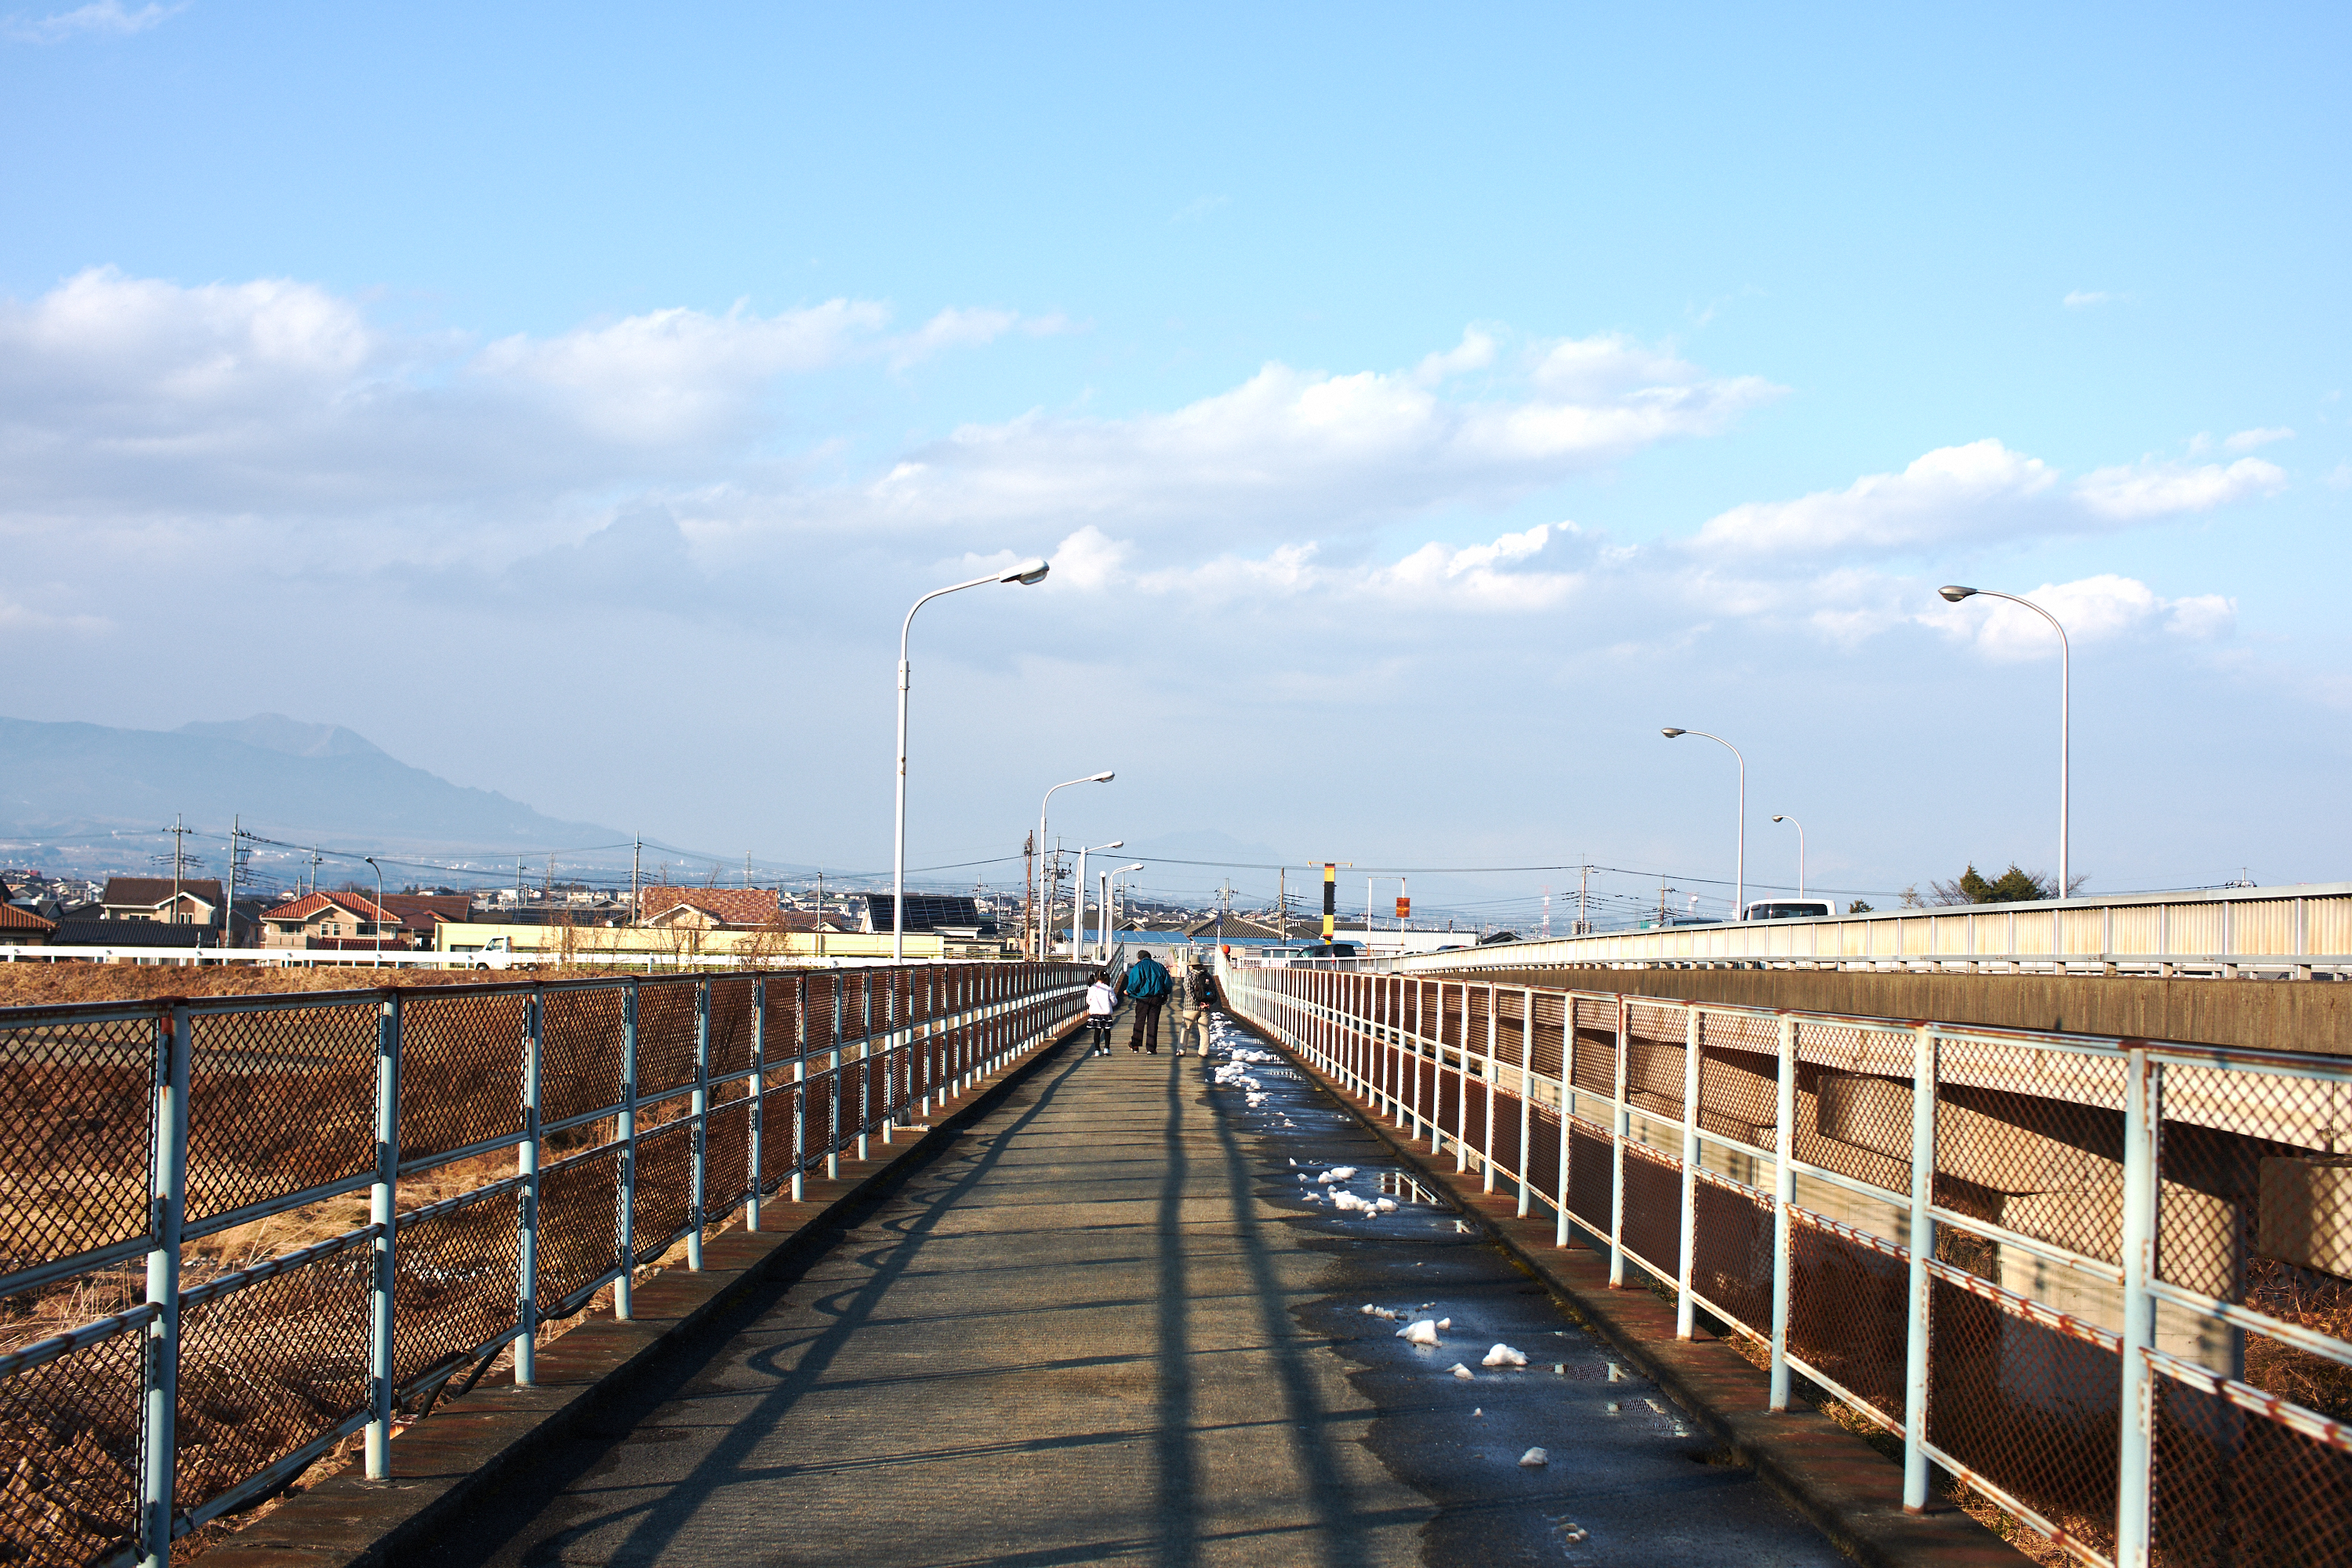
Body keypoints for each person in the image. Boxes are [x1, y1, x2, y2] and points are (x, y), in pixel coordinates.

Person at [1117, 948, 1172, 1054]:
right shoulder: (1159, 966)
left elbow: (1135, 982)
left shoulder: (1139, 967)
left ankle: (1136, 1045)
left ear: (1139, 958)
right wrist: (1165, 993)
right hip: (1157, 997)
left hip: (1143, 998)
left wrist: (1128, 991)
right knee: (1153, 1022)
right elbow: (1167, 983)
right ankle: (1151, 1048)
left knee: (1140, 1020)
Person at [1171, 958, 1208, 1055]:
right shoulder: (1207, 975)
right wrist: (1208, 1003)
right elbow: (1213, 991)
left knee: (1185, 1028)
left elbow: (1189, 991)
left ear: (1192, 965)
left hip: (1190, 1007)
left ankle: (1181, 1050)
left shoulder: (1190, 976)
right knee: (1204, 1030)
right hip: (1206, 1008)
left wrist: (1197, 1002)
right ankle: (1203, 1052)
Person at [1083, 970, 1116, 1055]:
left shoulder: (1092, 988)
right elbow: (1114, 1002)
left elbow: (1088, 1000)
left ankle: (1097, 1050)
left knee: (1097, 1031)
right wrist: (1109, 1004)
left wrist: (1094, 1004)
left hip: (1095, 1013)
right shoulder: (1109, 988)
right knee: (1107, 1031)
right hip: (1106, 1013)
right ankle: (1107, 1048)